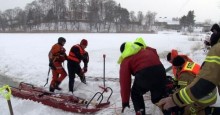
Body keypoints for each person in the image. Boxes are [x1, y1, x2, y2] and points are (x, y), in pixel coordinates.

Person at [157, 42, 220, 115]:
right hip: (208, 90)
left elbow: (185, 90)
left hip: (206, 97)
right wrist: (175, 82)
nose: (175, 69)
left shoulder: (185, 75)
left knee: (187, 111)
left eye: (175, 67)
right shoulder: (188, 63)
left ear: (178, 66)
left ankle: (212, 112)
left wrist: (173, 97)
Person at [118, 41, 167, 115]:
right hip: (160, 71)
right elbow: (154, 51)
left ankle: (140, 112)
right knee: (157, 98)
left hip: (144, 74)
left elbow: (124, 82)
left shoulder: (126, 58)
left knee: (136, 94)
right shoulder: (145, 49)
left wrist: (125, 101)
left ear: (123, 51)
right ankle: (170, 111)